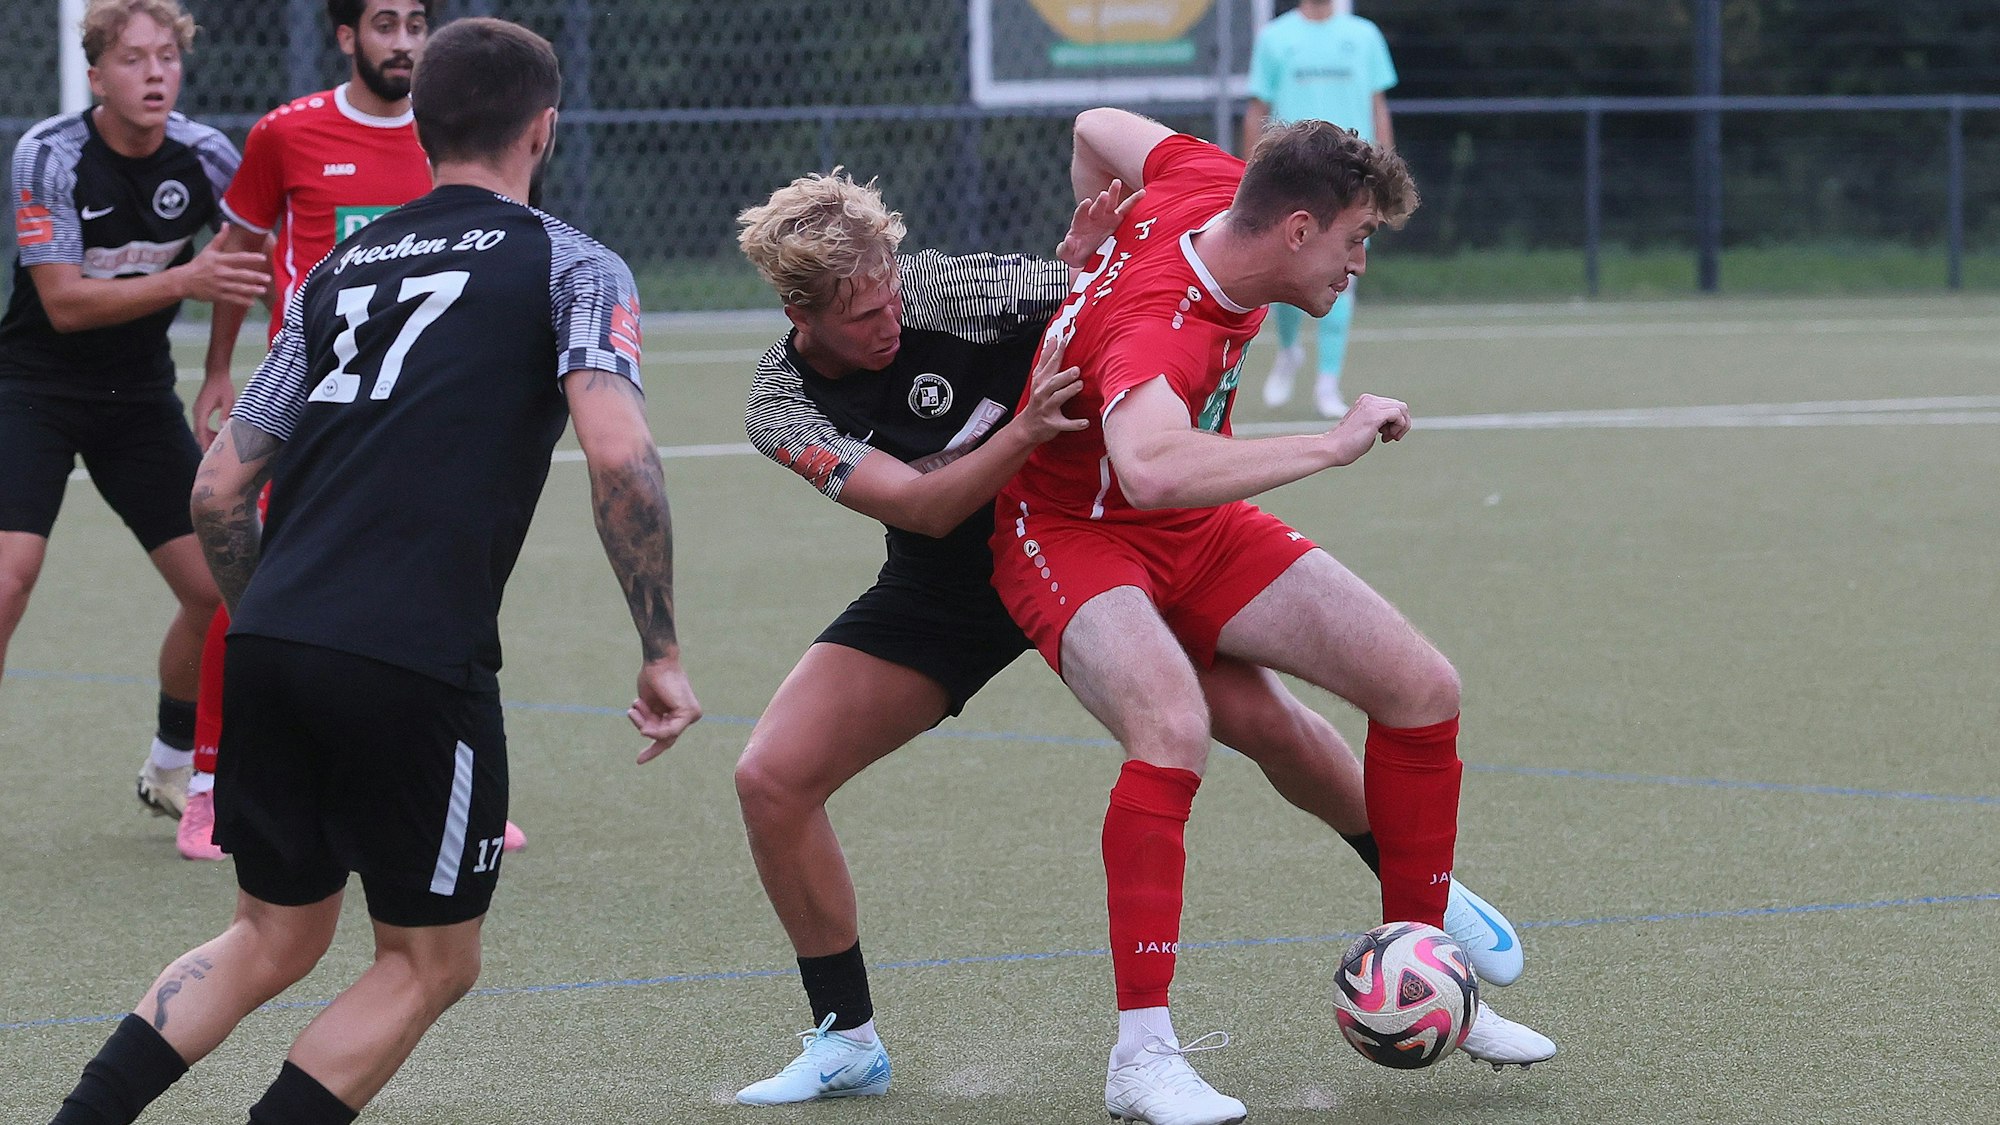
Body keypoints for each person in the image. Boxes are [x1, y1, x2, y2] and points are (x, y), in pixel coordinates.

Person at [729, 170, 1543, 1109]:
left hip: (1096, 535)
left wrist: (1085, 269)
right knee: (771, 777)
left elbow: (1115, 298)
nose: (890, 318)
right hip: (949, 586)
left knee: (1270, 726)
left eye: (892, 291)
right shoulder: (778, 403)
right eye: (864, 313)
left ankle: (1423, 904)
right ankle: (845, 1037)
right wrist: (1026, 429)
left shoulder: (953, 286)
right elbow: (921, 502)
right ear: (801, 310)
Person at [44, 17, 700, 1124]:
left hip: (266, 643)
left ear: (426, 127)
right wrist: (662, 652)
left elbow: (215, 490)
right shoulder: (571, 262)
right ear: (542, 129)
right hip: (411, 659)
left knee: (271, 935)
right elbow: (623, 460)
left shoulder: (341, 269)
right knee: (430, 963)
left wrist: (279, 628)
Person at [989, 108, 1554, 1124]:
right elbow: (1150, 467)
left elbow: (1094, 124)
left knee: (1419, 686)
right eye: (1355, 240)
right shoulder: (1160, 325)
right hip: (1071, 530)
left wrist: (1092, 234)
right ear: (1296, 229)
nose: (1359, 266)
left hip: (1189, 529)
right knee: (1172, 727)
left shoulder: (1211, 181)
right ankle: (1141, 1058)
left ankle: (1426, 974)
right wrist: (1327, 446)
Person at [177, 0, 528, 863]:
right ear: (346, 36)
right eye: (384, 23)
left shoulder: (460, 137)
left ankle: (447, 766)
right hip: (304, 404)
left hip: (417, 408)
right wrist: (223, 366)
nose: (403, 40)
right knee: (257, 575)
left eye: (417, 22)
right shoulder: (284, 135)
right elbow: (241, 251)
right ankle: (208, 783)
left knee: (441, 572)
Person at [0, 0, 268, 824]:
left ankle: (169, 762)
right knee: (8, 579)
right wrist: (182, 282)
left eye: (167, 59)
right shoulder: (48, 153)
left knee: (220, 589)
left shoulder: (209, 156)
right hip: (31, 391)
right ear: (96, 76)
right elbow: (66, 303)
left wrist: (219, 365)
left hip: (138, 399)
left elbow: (246, 251)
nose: (154, 74)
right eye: (133, 60)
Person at [1243, 0, 1397, 419]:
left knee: (1342, 274)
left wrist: (1384, 173)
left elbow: (1377, 106)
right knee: (1284, 275)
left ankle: (1328, 382)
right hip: (1294, 178)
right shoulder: (1275, 38)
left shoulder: (1363, 36)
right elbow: (1258, 109)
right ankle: (1289, 351)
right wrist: (1248, 176)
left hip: (1352, 182)